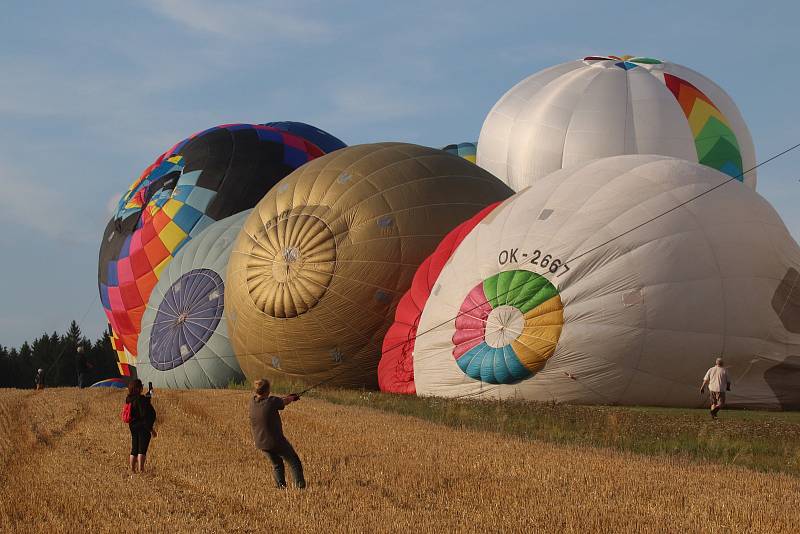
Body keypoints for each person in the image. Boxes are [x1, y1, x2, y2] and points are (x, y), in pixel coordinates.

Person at [249, 379, 305, 489]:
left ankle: (280, 487)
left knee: (277, 464)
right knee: (294, 462)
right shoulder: (272, 402)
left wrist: (286, 398)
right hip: (276, 441)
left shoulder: (252, 401)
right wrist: (293, 398)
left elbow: (277, 401)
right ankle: (300, 488)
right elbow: (284, 401)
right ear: (267, 391)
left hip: (261, 443)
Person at [125, 379, 157, 474]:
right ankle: (141, 469)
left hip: (132, 425)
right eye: (141, 386)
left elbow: (143, 400)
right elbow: (144, 413)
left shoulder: (129, 398)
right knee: (142, 449)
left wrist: (148, 394)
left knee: (134, 448)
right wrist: (151, 429)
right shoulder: (140, 399)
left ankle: (132, 469)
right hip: (143, 426)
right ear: (138, 388)